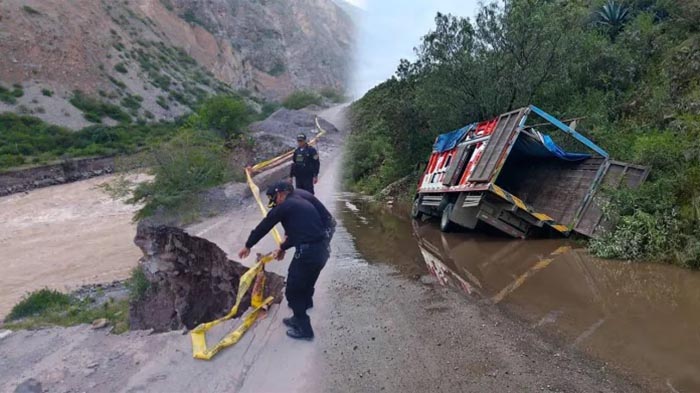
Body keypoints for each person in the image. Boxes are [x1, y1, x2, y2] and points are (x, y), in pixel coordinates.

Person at [238, 181, 333, 340]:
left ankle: (304, 329)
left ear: (282, 193)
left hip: (308, 253)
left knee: (293, 290)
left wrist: (248, 245)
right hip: (321, 250)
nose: (274, 202)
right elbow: (299, 233)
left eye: (274, 197)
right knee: (307, 282)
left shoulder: (285, 207)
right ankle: (302, 309)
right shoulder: (300, 200)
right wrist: (282, 248)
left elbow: (265, 226)